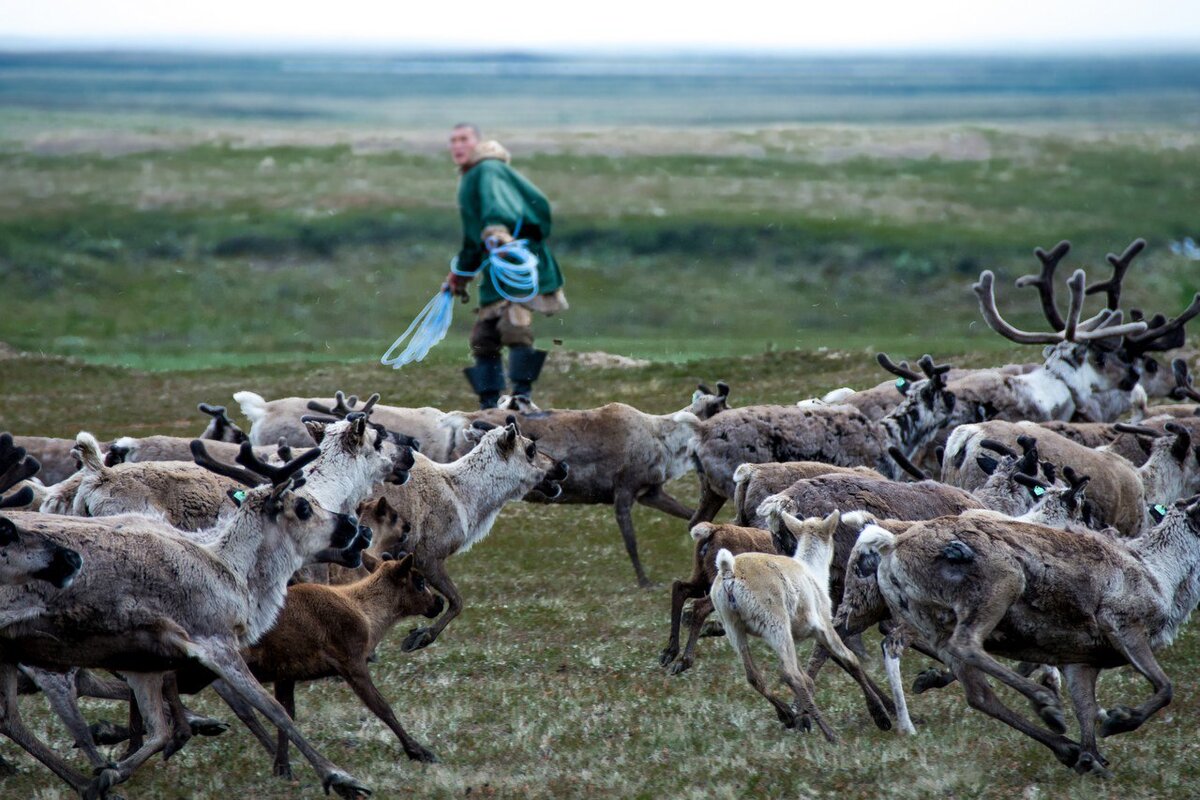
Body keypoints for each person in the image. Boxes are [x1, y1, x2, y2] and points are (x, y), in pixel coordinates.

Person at [446, 123, 567, 409]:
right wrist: (459, 275)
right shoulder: (471, 177)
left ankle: (522, 397)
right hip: (495, 268)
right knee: (483, 337)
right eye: (453, 141)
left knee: (514, 325)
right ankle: (489, 406)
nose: (457, 146)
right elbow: (473, 238)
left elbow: (496, 207)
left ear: (478, 143)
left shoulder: (487, 169)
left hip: (517, 262)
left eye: (463, 139)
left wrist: (497, 231)